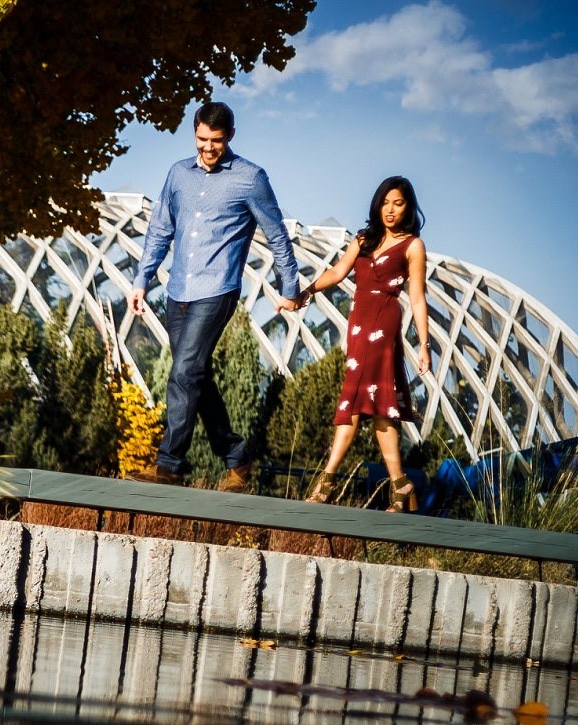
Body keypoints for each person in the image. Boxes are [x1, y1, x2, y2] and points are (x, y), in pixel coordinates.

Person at [127, 101, 302, 492]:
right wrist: (142, 280)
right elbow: (159, 230)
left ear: (231, 136)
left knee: (184, 373)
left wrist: (289, 288)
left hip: (217, 290)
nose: (209, 148)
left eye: (217, 141)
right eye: (203, 139)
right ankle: (238, 461)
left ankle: (169, 466)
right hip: (177, 291)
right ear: (195, 133)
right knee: (196, 378)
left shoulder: (250, 178)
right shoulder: (177, 174)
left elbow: (277, 235)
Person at [297, 176, 433, 512]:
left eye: (398, 204)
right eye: (385, 203)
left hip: (384, 324)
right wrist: (309, 290)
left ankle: (327, 481)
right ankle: (401, 485)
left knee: (356, 400)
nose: (390, 210)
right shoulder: (364, 239)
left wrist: (424, 343)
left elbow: (417, 298)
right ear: (377, 204)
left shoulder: (413, 246)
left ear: (408, 207)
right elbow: (339, 271)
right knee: (380, 408)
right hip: (358, 324)